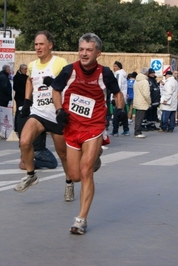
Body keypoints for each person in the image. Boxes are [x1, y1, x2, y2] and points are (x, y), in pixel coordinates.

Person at [52, 33, 127, 235]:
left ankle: (81, 219)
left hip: (94, 126)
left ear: (98, 53)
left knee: (85, 171)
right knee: (75, 175)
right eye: (82, 49)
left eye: (89, 50)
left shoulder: (105, 73)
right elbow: (55, 90)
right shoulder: (69, 70)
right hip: (72, 127)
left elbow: (117, 93)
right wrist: (59, 111)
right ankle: (94, 160)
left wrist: (120, 111)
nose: (84, 53)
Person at [13, 30, 75, 202]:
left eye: (41, 44)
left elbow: (70, 83)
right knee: (24, 141)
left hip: (56, 114)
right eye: (36, 44)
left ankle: (69, 183)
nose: (38, 47)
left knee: (62, 155)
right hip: (38, 112)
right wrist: (26, 102)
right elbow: (29, 81)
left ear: (50, 45)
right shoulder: (32, 65)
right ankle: (31, 175)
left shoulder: (59, 62)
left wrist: (55, 85)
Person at [111, 61, 129, 136]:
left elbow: (117, 85)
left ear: (119, 67)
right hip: (123, 96)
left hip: (118, 97)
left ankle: (115, 131)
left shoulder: (118, 74)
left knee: (116, 114)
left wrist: (114, 97)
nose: (114, 68)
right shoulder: (123, 74)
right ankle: (126, 129)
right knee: (123, 114)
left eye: (115, 66)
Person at [133, 67, 151, 138]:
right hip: (142, 101)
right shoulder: (145, 81)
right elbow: (146, 93)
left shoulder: (136, 80)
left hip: (137, 100)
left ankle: (137, 130)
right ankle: (137, 132)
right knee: (140, 118)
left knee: (138, 117)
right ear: (146, 73)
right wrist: (149, 101)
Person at [13, 64, 28, 132]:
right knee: (19, 112)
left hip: (25, 97)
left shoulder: (26, 77)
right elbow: (15, 87)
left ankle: (24, 126)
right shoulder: (17, 77)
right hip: (20, 97)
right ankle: (17, 126)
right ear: (21, 69)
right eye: (25, 69)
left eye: (26, 69)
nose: (26, 71)